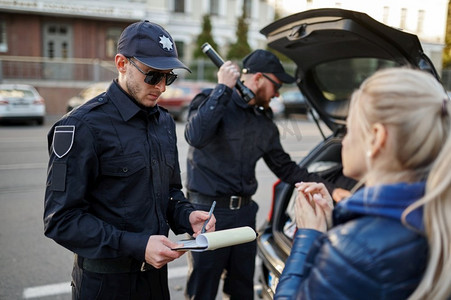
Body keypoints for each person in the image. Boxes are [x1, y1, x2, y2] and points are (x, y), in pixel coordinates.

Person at [43, 20, 216, 300]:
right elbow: (61, 220)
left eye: (168, 77)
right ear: (122, 63)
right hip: (105, 285)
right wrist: (135, 245)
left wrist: (187, 216)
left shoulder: (164, 122)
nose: (161, 87)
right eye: (152, 76)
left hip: (156, 282)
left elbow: (169, 193)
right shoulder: (81, 126)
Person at [183, 49, 353, 299]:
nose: (278, 93)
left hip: (244, 214)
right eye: (277, 85)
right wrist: (223, 88)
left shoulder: (263, 122)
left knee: (242, 288)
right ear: (259, 78)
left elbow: (286, 168)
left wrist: (330, 188)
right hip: (209, 213)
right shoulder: (213, 99)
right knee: (202, 289)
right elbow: (195, 136)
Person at [274, 68, 451, 300]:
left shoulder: (354, 251)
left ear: (376, 138)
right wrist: (336, 222)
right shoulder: (437, 215)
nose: (344, 140)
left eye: (349, 128)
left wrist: (309, 235)